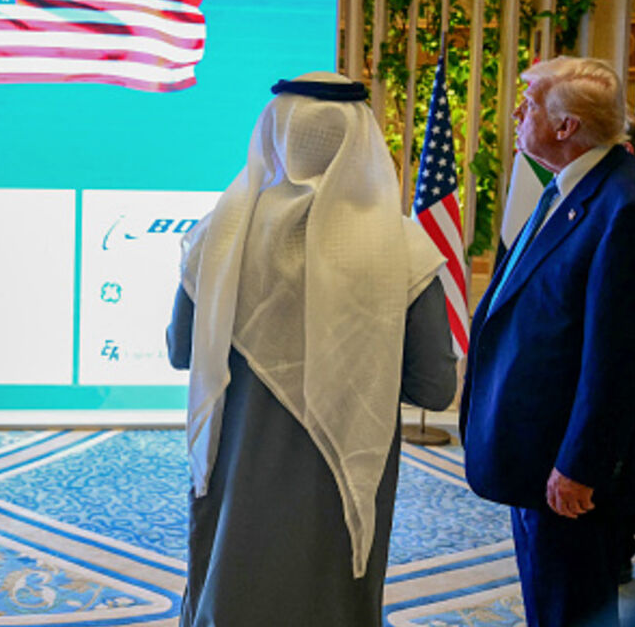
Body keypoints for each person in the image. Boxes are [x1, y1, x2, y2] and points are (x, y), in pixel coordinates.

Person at [170, 73, 457, 626]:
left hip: (237, 470)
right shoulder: (403, 249)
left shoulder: (220, 236)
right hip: (345, 475)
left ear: (276, 136)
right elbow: (434, 387)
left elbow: (182, 352)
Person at [461, 56, 635, 627]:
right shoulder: (568, 189)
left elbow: (620, 357)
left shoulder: (629, 207)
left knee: (571, 609)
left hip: (572, 473)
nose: (517, 113)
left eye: (529, 106)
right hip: (539, 453)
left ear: (565, 127)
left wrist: (581, 464)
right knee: (549, 601)